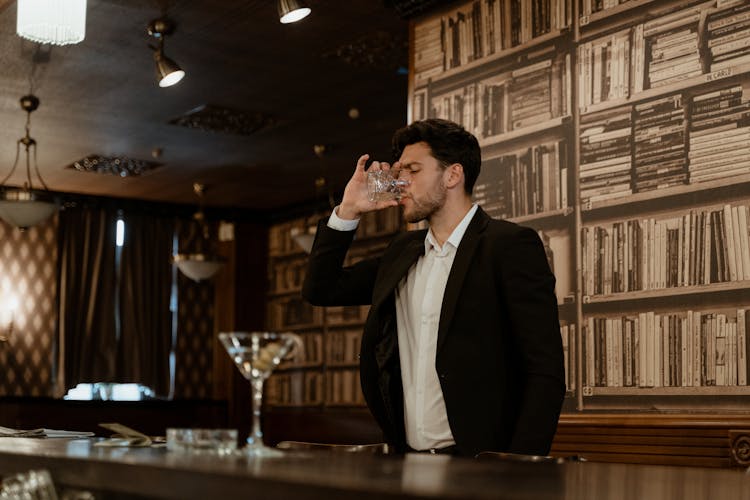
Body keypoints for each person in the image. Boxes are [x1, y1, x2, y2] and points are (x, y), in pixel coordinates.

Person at [302, 118, 565, 457]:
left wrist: (519, 466)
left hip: (485, 465)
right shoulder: (402, 251)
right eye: (399, 171)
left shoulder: (510, 245)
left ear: (452, 175)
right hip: (405, 459)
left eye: (412, 170)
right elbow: (321, 289)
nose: (400, 181)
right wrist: (348, 210)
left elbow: (544, 369)